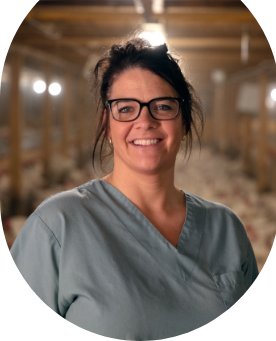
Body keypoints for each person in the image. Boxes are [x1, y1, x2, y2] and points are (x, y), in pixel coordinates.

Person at [9, 37, 259, 339]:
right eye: (126, 109)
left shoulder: (226, 228)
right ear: (107, 124)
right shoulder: (55, 227)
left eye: (163, 106)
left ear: (184, 121)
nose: (145, 120)